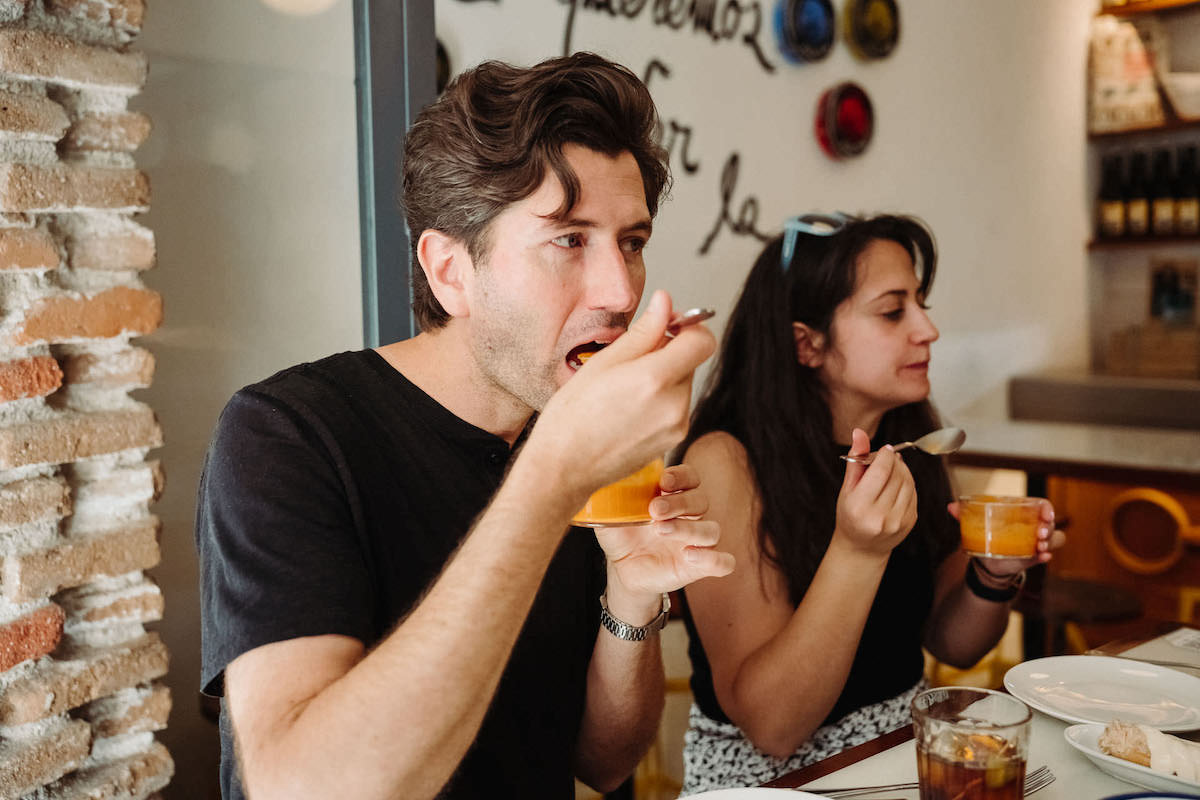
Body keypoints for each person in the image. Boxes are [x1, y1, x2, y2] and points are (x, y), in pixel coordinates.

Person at [195, 52, 735, 800]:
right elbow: (304, 786)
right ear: (450, 271)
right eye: (569, 239)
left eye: (632, 243)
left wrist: (632, 598)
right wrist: (553, 479)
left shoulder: (570, 434)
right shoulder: (286, 436)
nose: (620, 293)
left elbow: (601, 763)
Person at [674, 212, 1062, 794]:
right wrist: (856, 552)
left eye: (921, 304)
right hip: (773, 784)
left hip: (905, 756)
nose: (927, 329)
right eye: (892, 311)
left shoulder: (909, 439)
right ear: (807, 343)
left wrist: (991, 574)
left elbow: (951, 644)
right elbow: (773, 727)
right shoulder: (723, 463)